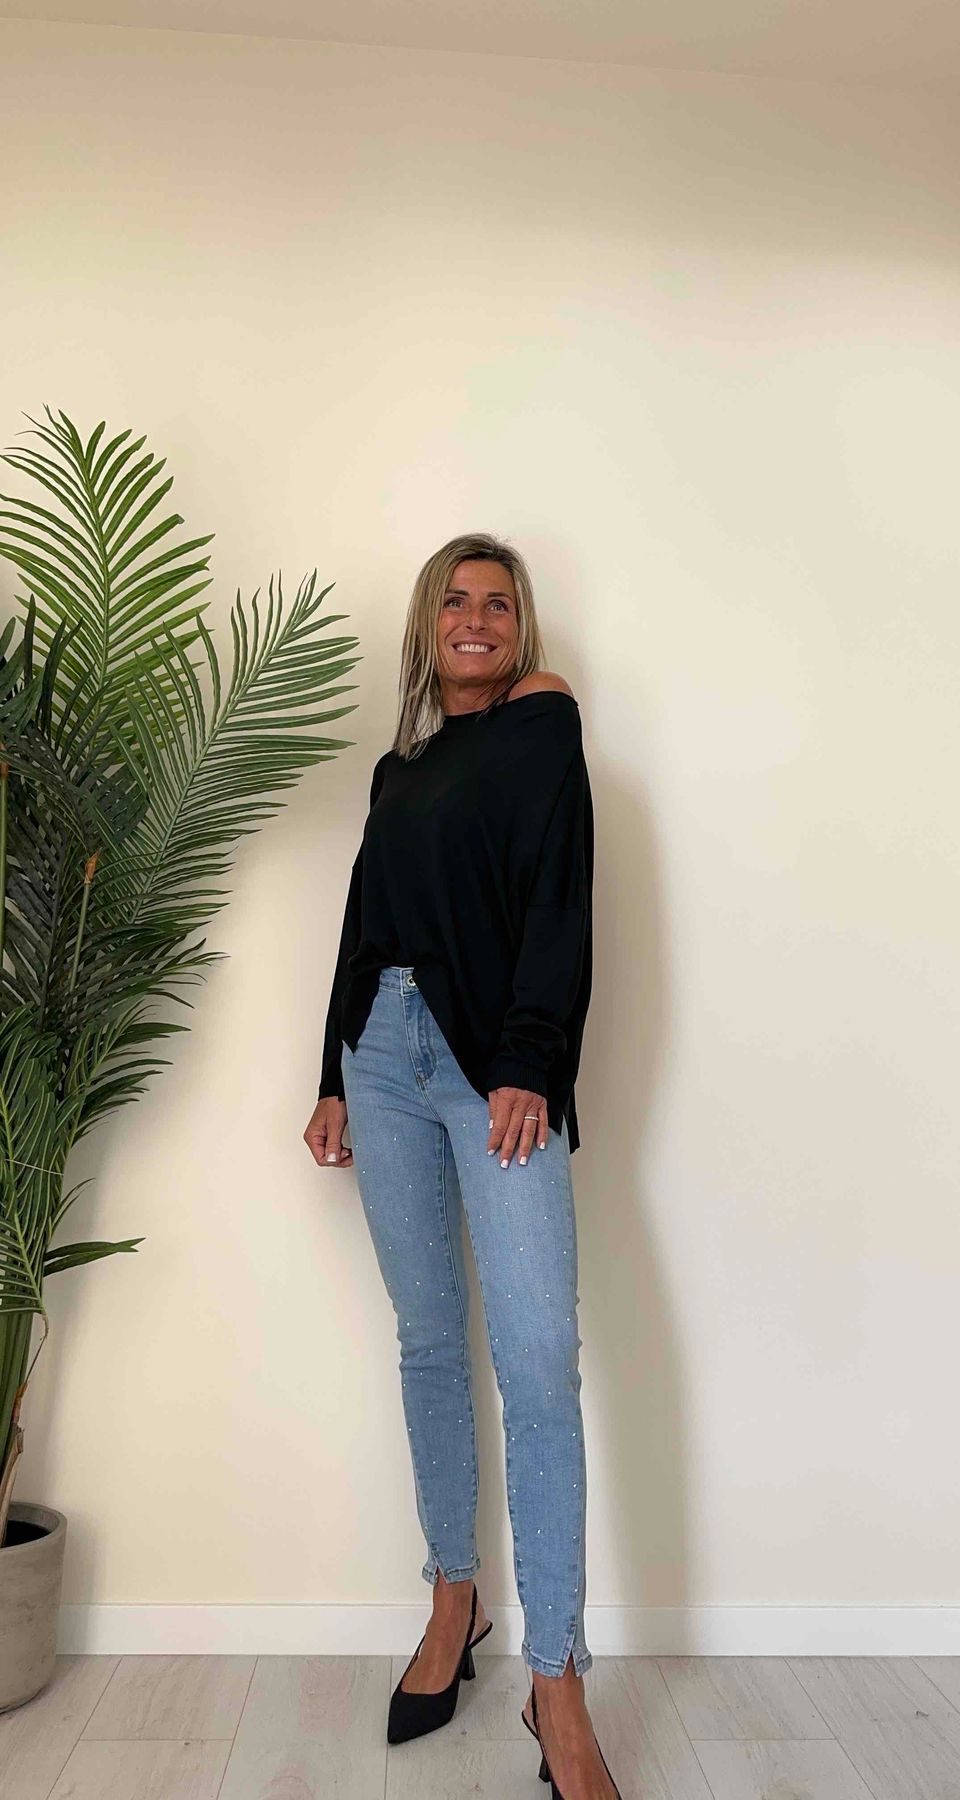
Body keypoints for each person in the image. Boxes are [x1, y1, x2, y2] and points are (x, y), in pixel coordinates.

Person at [304, 532, 620, 1799]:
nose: (474, 618)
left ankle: (557, 1682)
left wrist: (531, 1057)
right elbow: (362, 921)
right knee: (429, 1339)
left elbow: (558, 897)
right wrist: (329, 1076)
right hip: (380, 1054)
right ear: (426, 625)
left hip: (492, 1063)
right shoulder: (398, 769)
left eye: (497, 602)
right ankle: (453, 1598)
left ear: (519, 627)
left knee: (537, 1360)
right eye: (454, 600)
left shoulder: (542, 727)